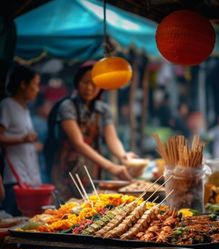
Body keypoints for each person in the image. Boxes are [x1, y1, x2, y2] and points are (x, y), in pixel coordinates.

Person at [49, 60, 137, 201]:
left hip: (92, 169)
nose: (89, 88)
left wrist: (123, 156)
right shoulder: (67, 106)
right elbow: (78, 143)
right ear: (77, 83)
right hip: (68, 170)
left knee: (89, 209)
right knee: (65, 212)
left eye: (94, 83)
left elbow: (112, 138)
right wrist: (111, 166)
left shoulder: (103, 109)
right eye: (85, 82)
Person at [0, 64, 42, 215]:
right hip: (14, 176)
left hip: (27, 172)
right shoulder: (7, 105)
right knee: (12, 217)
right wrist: (22, 139)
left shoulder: (24, 108)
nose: (38, 89)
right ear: (23, 84)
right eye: (35, 84)